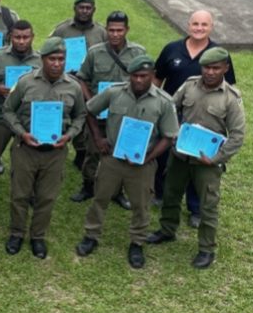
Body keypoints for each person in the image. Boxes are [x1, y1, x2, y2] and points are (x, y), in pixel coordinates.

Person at [75, 55, 179, 269]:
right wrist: (98, 138)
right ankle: (91, 235)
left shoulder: (163, 101)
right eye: (135, 76)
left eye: (144, 76)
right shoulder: (115, 92)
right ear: (129, 75)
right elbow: (89, 110)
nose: (139, 80)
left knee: (141, 205)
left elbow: (169, 137)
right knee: (100, 197)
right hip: (112, 158)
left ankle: (137, 242)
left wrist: (148, 158)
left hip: (142, 165)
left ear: (152, 76)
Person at [146, 47, 245, 269]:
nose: (210, 72)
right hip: (180, 154)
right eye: (206, 67)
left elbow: (237, 136)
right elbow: (171, 107)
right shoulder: (190, 85)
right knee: (171, 194)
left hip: (207, 163)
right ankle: (167, 230)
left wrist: (217, 158)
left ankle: (206, 249)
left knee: (208, 205)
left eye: (215, 68)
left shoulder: (230, 98)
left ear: (225, 68)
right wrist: (173, 131)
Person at [2, 37, 85, 259]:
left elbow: (81, 115)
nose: (57, 63)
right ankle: (17, 233)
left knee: (47, 198)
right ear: (42, 59)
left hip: (55, 153)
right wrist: (21, 133)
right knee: (20, 195)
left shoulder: (73, 87)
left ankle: (37, 236)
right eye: (52, 59)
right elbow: (8, 110)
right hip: (26, 149)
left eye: (61, 59)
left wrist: (69, 135)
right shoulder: (25, 82)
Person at [153, 10, 237, 227]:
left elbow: (228, 88)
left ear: (211, 27)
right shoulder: (172, 49)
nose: (199, 28)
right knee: (168, 159)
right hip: (175, 112)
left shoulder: (218, 54)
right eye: (195, 24)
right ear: (188, 25)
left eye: (204, 25)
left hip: (206, 119)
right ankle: (162, 195)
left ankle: (195, 208)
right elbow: (157, 78)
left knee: (199, 162)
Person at [72, 11, 147, 210]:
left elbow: (145, 80)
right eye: (111, 30)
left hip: (126, 113)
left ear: (127, 30)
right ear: (106, 30)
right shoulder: (95, 52)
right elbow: (82, 78)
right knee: (93, 150)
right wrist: (92, 101)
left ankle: (117, 192)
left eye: (119, 30)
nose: (115, 34)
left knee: (121, 152)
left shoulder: (138, 53)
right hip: (99, 112)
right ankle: (87, 186)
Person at [0, 20, 42, 205]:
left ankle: (28, 192)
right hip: (1, 114)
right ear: (10, 37)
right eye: (17, 37)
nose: (21, 41)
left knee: (29, 159)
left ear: (32, 37)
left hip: (28, 117)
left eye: (25, 37)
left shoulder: (39, 60)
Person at [50, 0, 107, 171]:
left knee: (88, 119)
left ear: (94, 10)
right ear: (74, 8)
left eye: (88, 8)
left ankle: (83, 152)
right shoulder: (62, 30)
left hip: (90, 85)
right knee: (66, 117)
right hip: (66, 83)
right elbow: (49, 51)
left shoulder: (102, 32)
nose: (84, 11)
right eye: (81, 7)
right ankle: (65, 147)